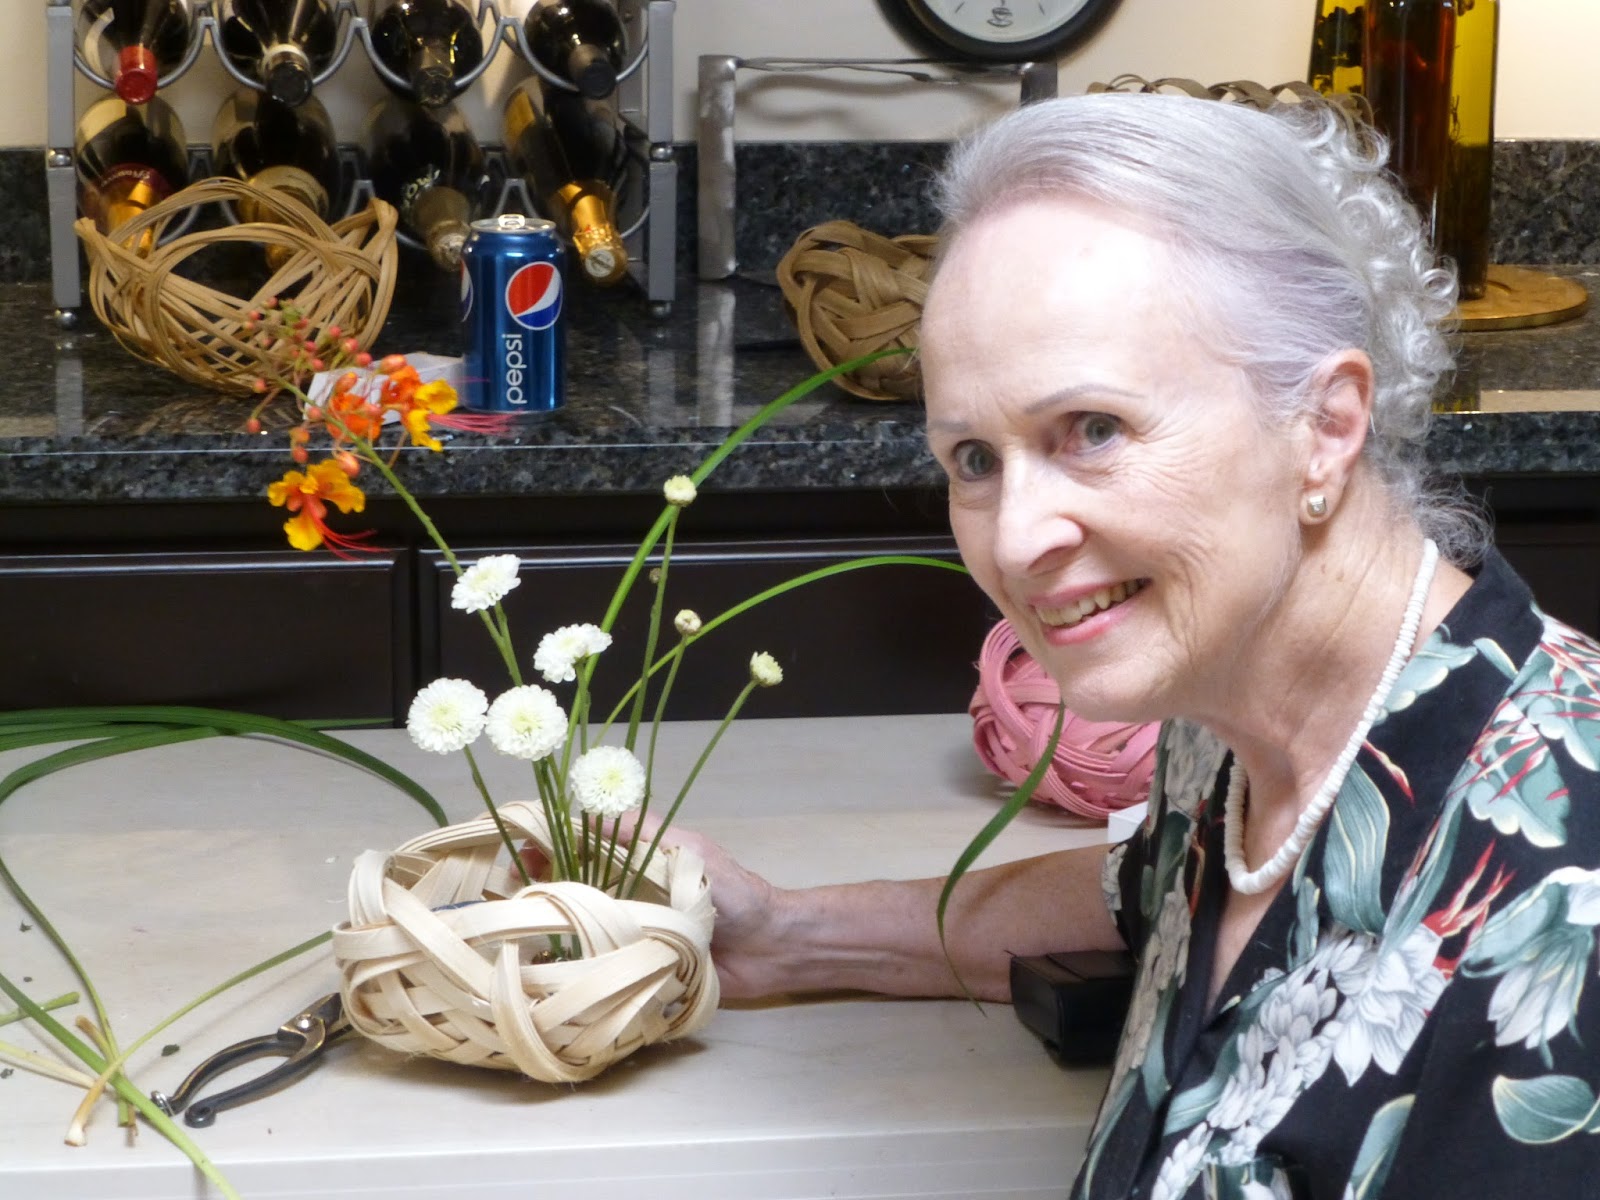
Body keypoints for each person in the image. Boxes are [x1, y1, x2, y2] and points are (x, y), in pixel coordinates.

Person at [657, 93, 1600, 1198]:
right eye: (971, 458)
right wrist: (788, 933)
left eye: (1092, 430)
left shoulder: (1563, 898)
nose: (1014, 539)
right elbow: (1143, 894)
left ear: (1325, 428)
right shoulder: (1231, 724)